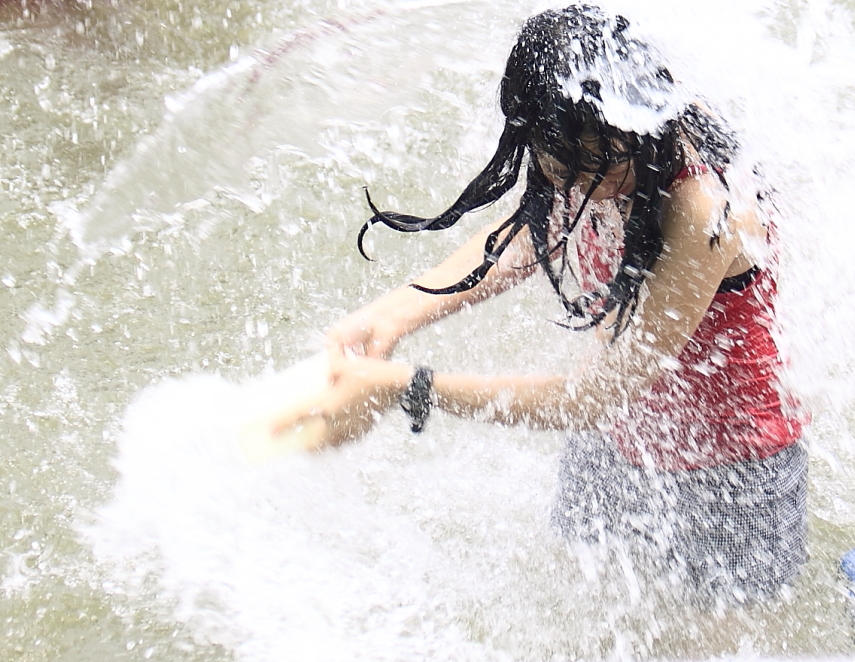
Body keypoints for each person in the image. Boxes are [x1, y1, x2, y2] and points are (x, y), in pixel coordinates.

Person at [279, 4, 808, 609]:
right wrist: (398, 311)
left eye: (608, 159)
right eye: (570, 166)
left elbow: (592, 397)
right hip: (612, 448)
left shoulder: (701, 208)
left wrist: (406, 385)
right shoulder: (587, 154)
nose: (593, 185)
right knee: (569, 618)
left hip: (733, 473)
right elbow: (539, 230)